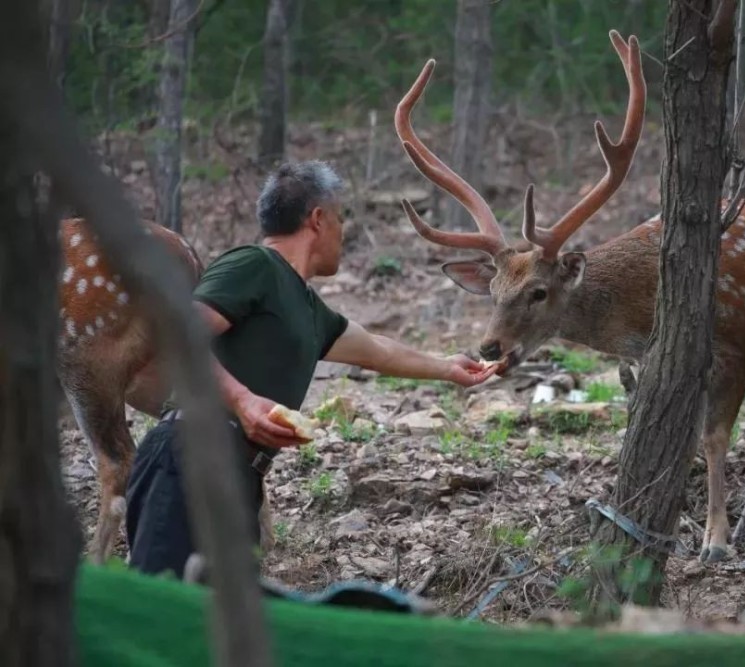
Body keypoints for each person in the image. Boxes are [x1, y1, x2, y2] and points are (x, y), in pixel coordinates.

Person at [124, 160, 494, 578]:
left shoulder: (307, 308)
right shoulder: (253, 265)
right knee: (161, 617)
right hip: (188, 455)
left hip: (237, 477)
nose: (343, 231)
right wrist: (242, 400)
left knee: (216, 633)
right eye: (340, 218)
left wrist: (449, 368)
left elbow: (377, 349)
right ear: (317, 220)